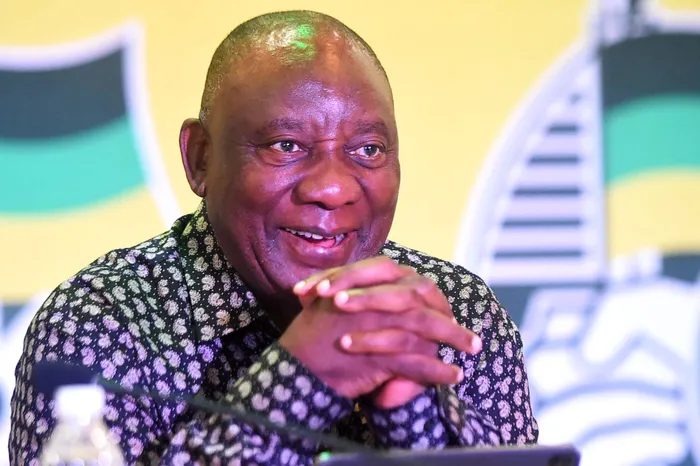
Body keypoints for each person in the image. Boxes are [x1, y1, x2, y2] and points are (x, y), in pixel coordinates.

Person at [9, 10, 538, 465]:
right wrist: (298, 381)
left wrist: (410, 408)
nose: (332, 188)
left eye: (368, 150)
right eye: (286, 145)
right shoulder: (101, 320)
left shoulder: (456, 311)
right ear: (200, 159)